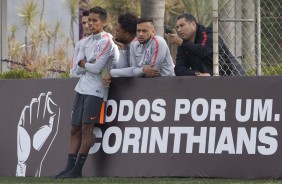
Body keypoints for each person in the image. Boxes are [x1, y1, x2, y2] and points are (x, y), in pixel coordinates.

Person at [54, 6, 116, 179]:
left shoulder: (106, 41)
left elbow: (96, 68)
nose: (90, 24)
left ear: (103, 22)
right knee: (74, 128)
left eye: (95, 20)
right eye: (89, 21)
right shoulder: (84, 42)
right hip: (81, 88)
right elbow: (74, 71)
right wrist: (84, 64)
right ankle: (68, 168)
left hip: (96, 91)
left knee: (86, 129)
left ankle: (77, 170)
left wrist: (84, 64)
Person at [165, 13, 246, 76]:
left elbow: (203, 51)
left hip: (232, 76)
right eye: (177, 27)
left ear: (193, 24)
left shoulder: (207, 34)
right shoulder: (183, 43)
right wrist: (197, 74)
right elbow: (179, 69)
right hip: (207, 83)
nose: (179, 30)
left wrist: (181, 43)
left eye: (182, 25)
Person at [109, 17, 175, 78]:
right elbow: (133, 70)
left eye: (144, 31)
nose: (140, 34)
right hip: (147, 84)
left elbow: (153, 71)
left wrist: (138, 71)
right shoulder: (133, 44)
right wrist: (142, 70)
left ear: (153, 32)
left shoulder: (158, 42)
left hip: (167, 82)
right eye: (138, 31)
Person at [70, 10, 91, 78]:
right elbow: (72, 72)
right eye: (84, 23)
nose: (86, 26)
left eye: (88, 22)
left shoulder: (105, 40)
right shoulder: (79, 44)